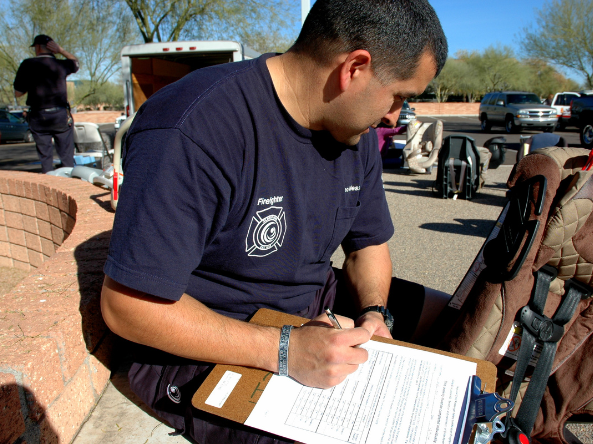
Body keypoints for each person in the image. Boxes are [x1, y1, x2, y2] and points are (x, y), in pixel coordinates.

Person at [100, 0, 448, 442]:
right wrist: (284, 349)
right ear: (354, 67)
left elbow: (368, 245)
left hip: (315, 308)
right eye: (399, 96)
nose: (395, 117)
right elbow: (126, 306)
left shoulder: (353, 133)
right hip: (208, 340)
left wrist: (374, 313)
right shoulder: (194, 128)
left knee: (463, 318)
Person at [13, 35, 78, 173]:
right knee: (67, 156)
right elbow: (75, 63)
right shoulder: (60, 65)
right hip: (60, 115)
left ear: (37, 47)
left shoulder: (27, 64)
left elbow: (17, 93)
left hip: (39, 116)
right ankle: (69, 183)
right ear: (52, 48)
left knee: (45, 157)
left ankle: (48, 181)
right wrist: (61, 50)